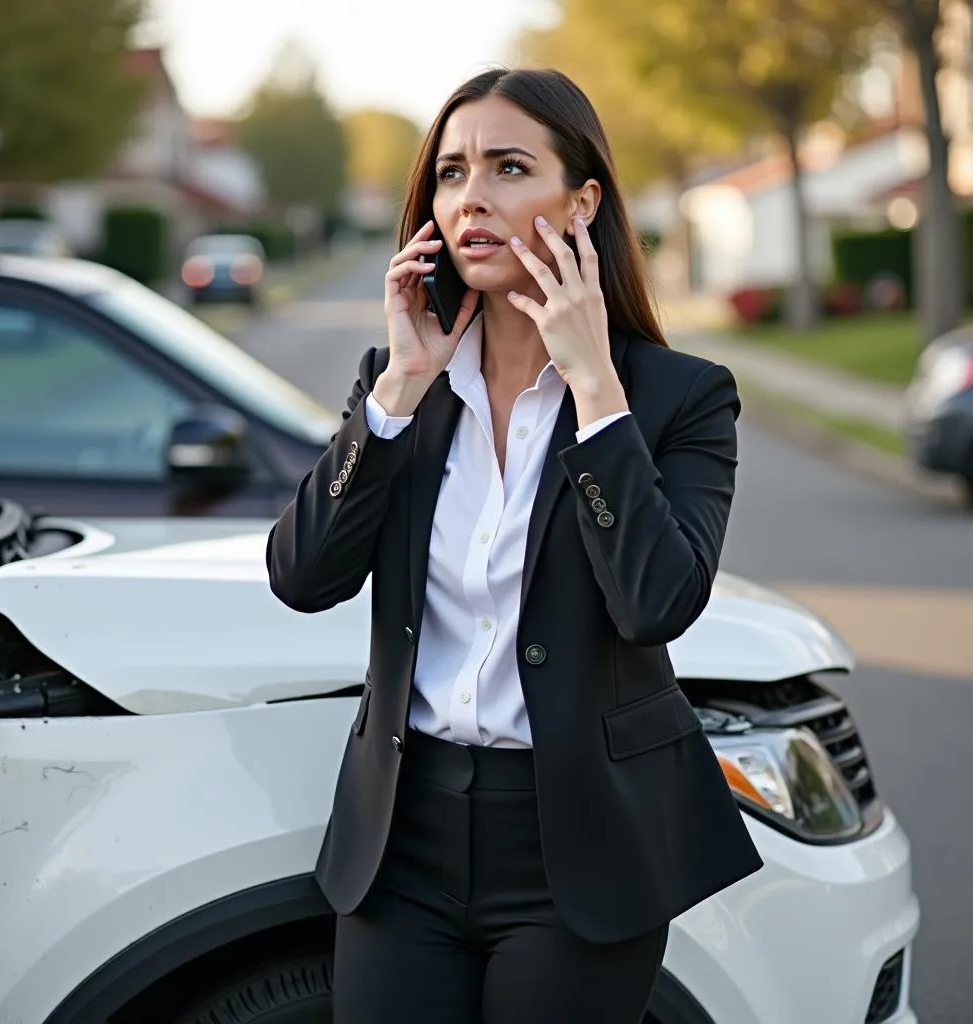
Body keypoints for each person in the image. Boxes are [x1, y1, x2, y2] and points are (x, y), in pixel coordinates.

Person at [266, 66, 763, 1024]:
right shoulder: (402, 383)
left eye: (507, 167)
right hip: (400, 842)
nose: (472, 199)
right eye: (451, 174)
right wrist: (401, 390)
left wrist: (595, 392)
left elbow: (659, 601)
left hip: (576, 847)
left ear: (583, 202)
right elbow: (302, 575)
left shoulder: (678, 399)